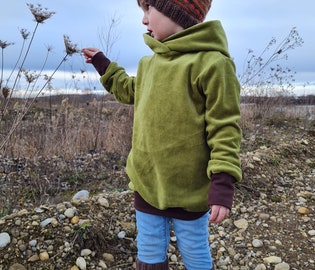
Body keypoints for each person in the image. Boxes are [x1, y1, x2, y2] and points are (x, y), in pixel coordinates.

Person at [82, 0, 242, 269]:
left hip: (189, 189)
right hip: (148, 182)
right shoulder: (149, 64)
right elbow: (129, 90)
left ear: (175, 12)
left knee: (194, 250)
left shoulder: (213, 64)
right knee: (150, 250)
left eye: (149, 10)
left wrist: (222, 182)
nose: (144, 20)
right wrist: (104, 64)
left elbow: (224, 127)